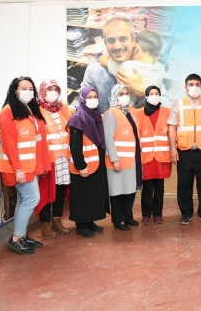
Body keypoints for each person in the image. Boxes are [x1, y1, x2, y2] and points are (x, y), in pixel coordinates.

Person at [0, 76, 51, 254]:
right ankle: (16, 238)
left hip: (30, 165)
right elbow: (9, 144)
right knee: (31, 199)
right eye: (23, 88)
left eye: (30, 88)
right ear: (15, 91)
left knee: (23, 200)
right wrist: (18, 169)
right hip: (18, 168)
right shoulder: (7, 112)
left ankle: (21, 235)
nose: (28, 91)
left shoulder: (27, 109)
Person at [168, 73, 201, 225]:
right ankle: (186, 213)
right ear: (185, 87)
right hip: (184, 152)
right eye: (191, 84)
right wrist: (173, 149)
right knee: (184, 185)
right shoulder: (178, 104)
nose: (194, 87)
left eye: (197, 84)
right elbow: (172, 127)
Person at [67, 87, 110, 237]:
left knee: (93, 194)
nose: (93, 99)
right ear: (83, 99)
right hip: (83, 165)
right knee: (82, 195)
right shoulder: (78, 118)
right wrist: (81, 165)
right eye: (89, 97)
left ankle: (90, 221)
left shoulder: (96, 116)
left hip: (96, 163)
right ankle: (81, 224)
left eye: (95, 96)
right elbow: (75, 146)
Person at [36, 79, 72, 238]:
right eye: (49, 89)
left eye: (55, 89)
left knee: (60, 190)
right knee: (45, 192)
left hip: (64, 157)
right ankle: (45, 224)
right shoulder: (37, 111)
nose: (53, 92)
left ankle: (57, 220)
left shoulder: (63, 108)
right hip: (48, 159)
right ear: (43, 91)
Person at [104, 84, 141, 231]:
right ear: (114, 96)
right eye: (121, 93)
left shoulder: (131, 112)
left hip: (131, 160)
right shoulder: (110, 114)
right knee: (117, 192)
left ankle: (128, 217)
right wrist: (115, 159)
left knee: (130, 190)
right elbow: (108, 139)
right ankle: (118, 220)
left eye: (126, 93)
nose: (124, 96)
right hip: (117, 161)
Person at [101, 30, 166, 107]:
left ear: (135, 46)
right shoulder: (160, 69)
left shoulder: (126, 67)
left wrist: (107, 54)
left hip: (124, 113)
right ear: (157, 58)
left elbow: (103, 60)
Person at [82, 17, 135, 113]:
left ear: (133, 41)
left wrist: (141, 92)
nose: (117, 46)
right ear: (105, 44)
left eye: (123, 39)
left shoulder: (146, 69)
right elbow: (85, 109)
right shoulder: (93, 71)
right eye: (111, 41)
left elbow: (164, 104)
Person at [137, 85, 172, 225]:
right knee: (146, 189)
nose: (154, 95)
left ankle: (158, 214)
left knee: (159, 188)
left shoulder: (167, 112)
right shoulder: (138, 113)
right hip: (145, 158)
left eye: (157, 93)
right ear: (146, 96)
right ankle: (146, 214)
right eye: (151, 93)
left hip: (161, 157)